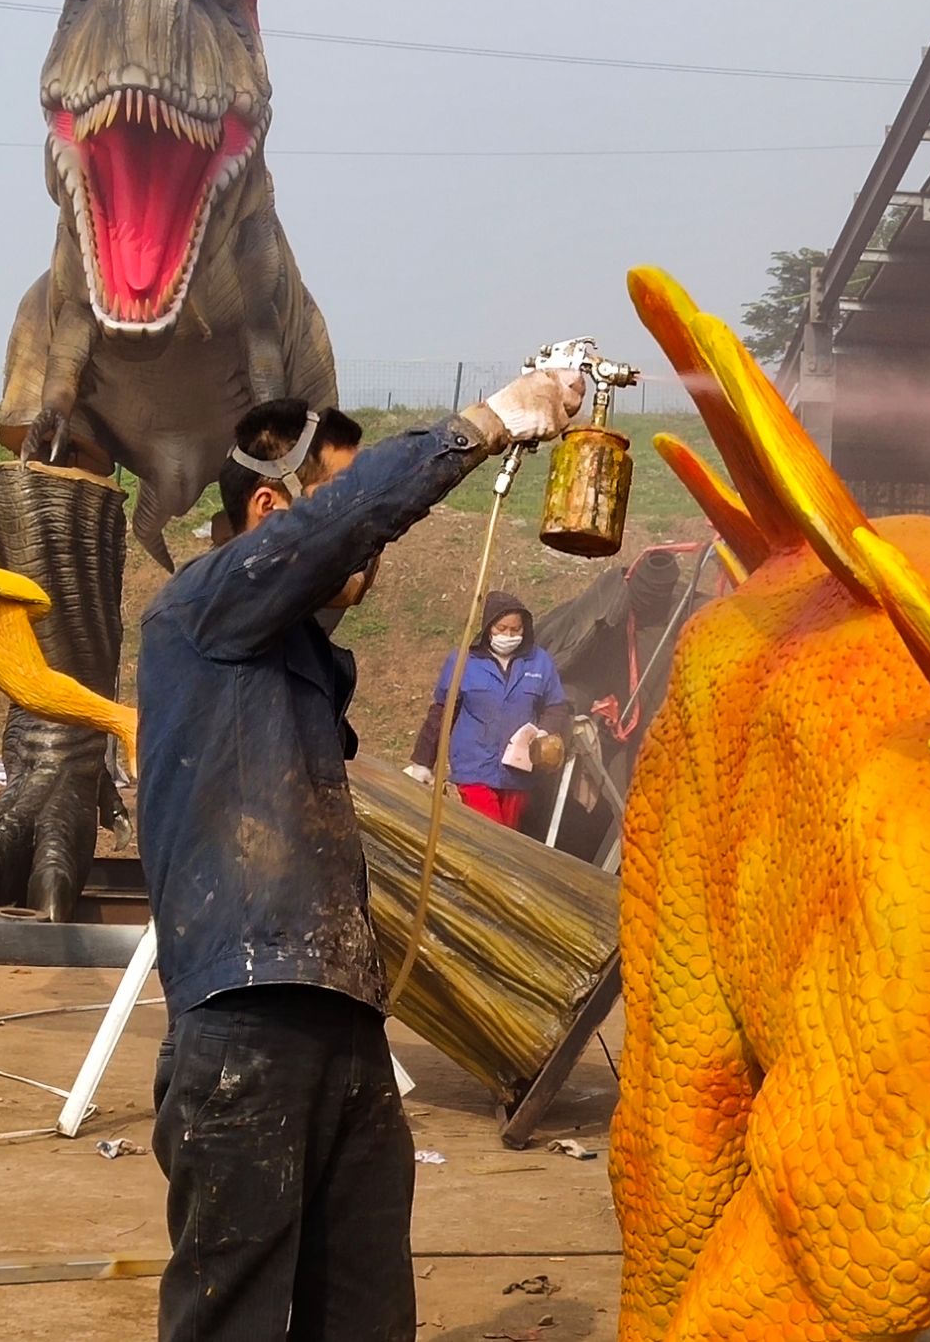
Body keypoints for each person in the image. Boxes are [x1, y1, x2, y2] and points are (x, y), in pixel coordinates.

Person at [136, 371, 584, 1342]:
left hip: (341, 1021)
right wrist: (479, 429)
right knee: (235, 1313)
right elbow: (334, 527)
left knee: (367, 1310)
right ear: (267, 508)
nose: (368, 554)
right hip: (245, 1021)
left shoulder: (294, 668)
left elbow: (331, 532)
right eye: (338, 508)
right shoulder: (198, 613)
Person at [407, 592, 570, 831]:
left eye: (516, 630)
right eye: (502, 628)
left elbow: (556, 705)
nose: (509, 635)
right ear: (488, 628)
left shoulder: (539, 662)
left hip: (519, 771)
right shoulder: (463, 660)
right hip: (474, 767)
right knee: (489, 833)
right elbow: (442, 713)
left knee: (508, 836)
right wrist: (423, 762)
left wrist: (544, 733)